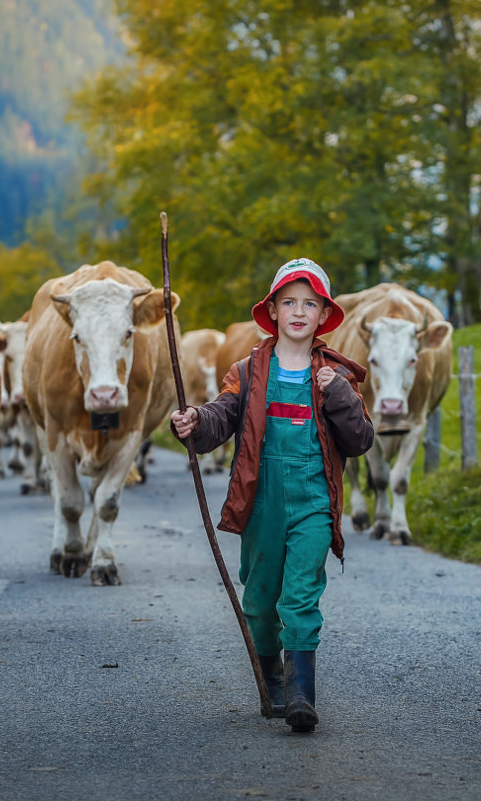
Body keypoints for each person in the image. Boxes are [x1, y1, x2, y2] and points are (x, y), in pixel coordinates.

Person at [171, 258, 374, 733]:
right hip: (260, 504)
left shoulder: (334, 377)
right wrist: (194, 422)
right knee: (260, 603)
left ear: (324, 314)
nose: (299, 311)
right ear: (273, 312)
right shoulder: (247, 371)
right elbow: (221, 417)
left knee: (300, 597)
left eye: (310, 303)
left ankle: (302, 694)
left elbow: (359, 441)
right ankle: (274, 680)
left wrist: (340, 395)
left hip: (313, 503)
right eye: (289, 302)